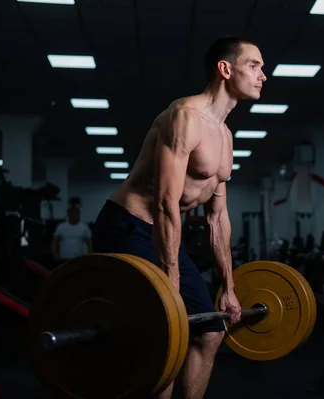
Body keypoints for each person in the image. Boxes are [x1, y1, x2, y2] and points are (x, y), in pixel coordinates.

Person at [91, 36, 267, 399]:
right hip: (127, 224)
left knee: (210, 331)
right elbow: (164, 203)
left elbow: (217, 219)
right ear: (225, 69)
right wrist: (171, 276)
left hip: (161, 233)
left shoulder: (225, 136)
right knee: (168, 330)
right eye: (254, 65)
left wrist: (229, 288)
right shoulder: (184, 117)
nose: (263, 75)